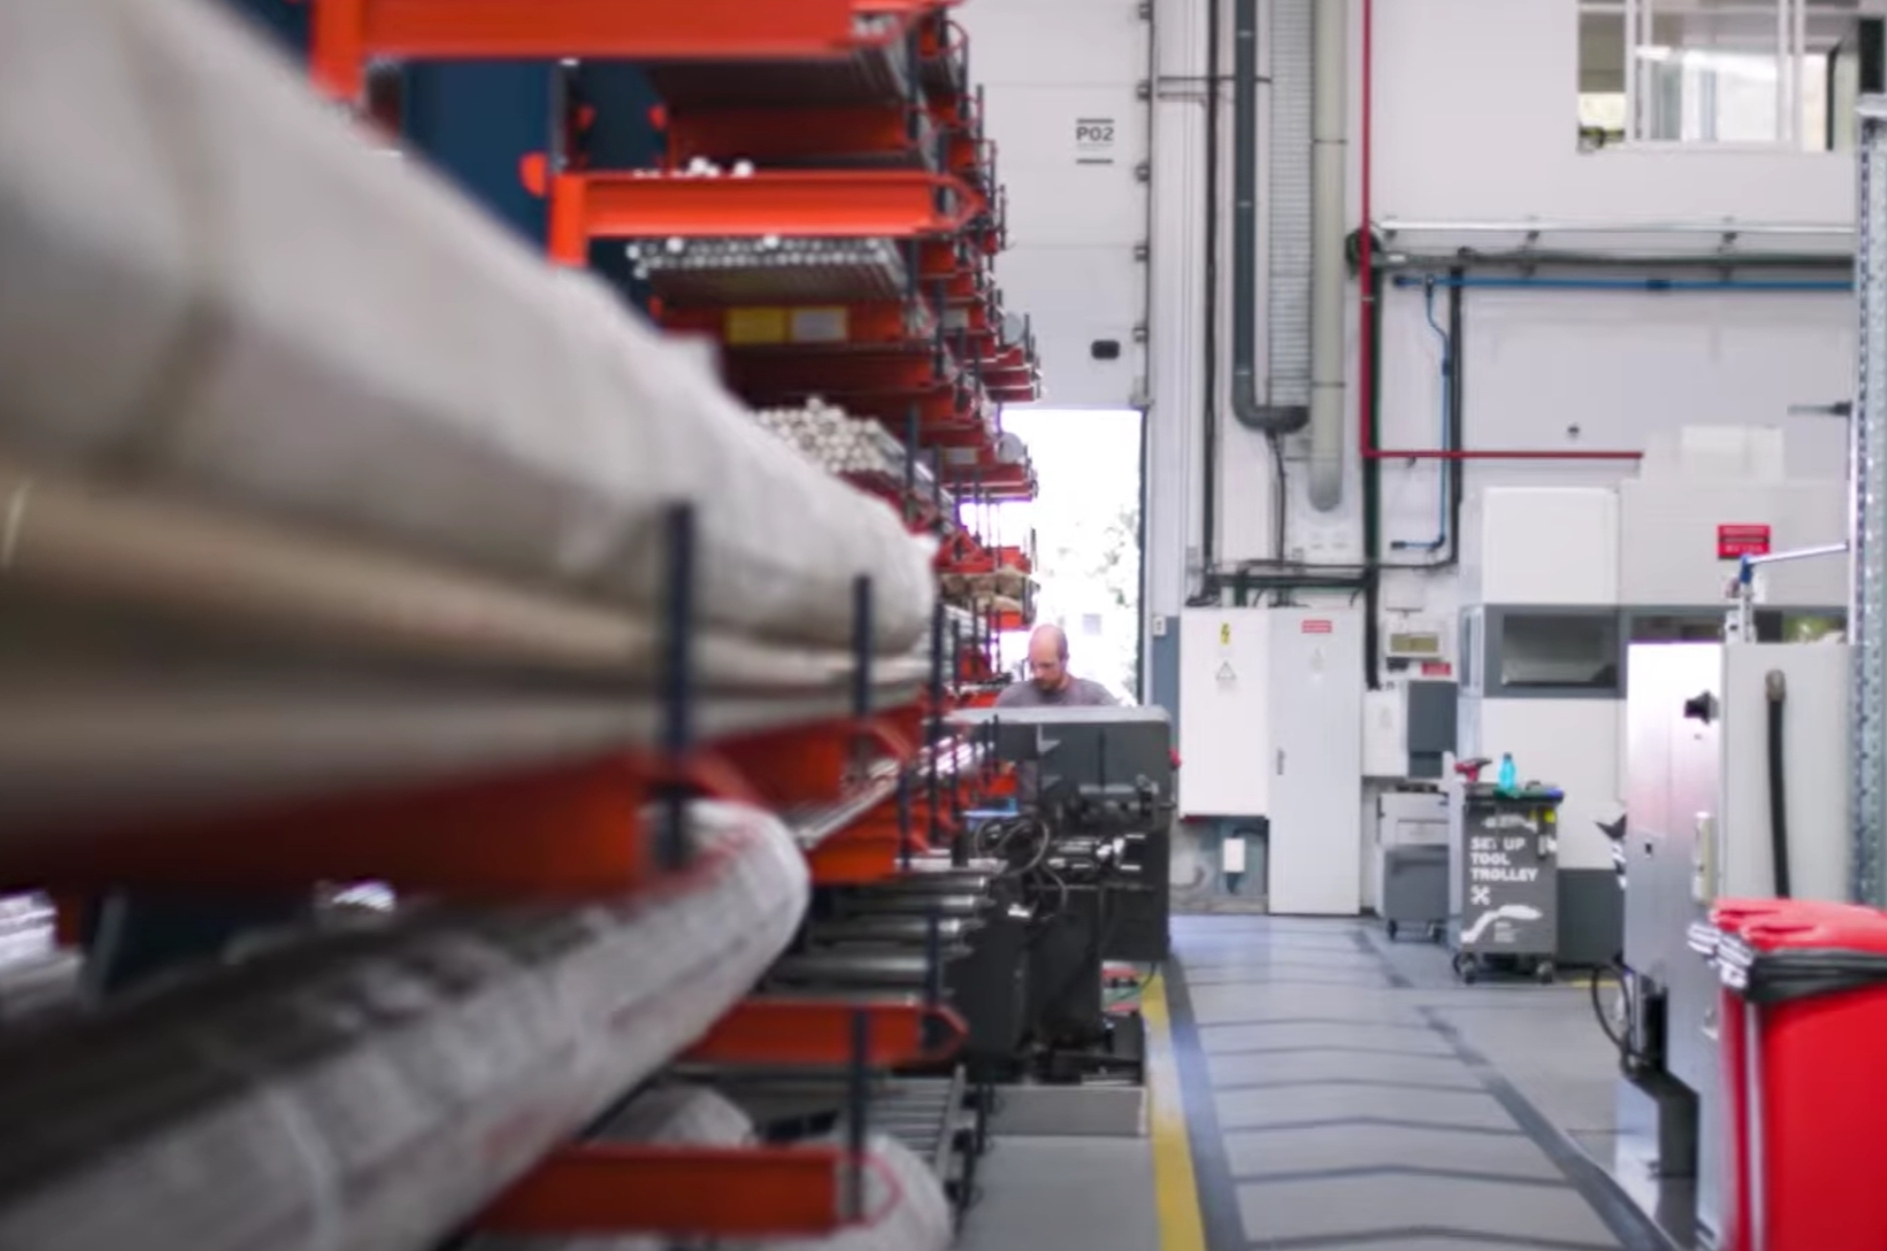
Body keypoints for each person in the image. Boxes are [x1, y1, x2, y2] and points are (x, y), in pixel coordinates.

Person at [995, 624, 1119, 708]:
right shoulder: (1012, 701)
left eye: (1046, 666)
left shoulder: (1095, 700)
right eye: (1032, 665)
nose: (1038, 674)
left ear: (1065, 660)